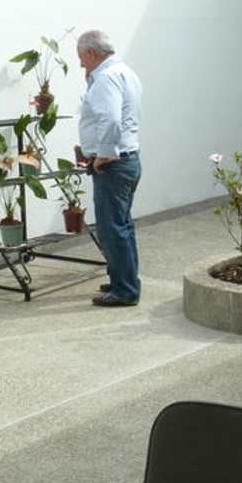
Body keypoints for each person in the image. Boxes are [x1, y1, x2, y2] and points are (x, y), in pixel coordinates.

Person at [77, 30, 143, 307]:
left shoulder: (105, 77)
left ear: (92, 53)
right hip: (128, 159)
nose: (80, 63)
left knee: (111, 229)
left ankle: (125, 290)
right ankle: (122, 279)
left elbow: (111, 119)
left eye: (81, 57)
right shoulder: (125, 72)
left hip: (113, 165)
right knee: (122, 225)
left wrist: (103, 155)